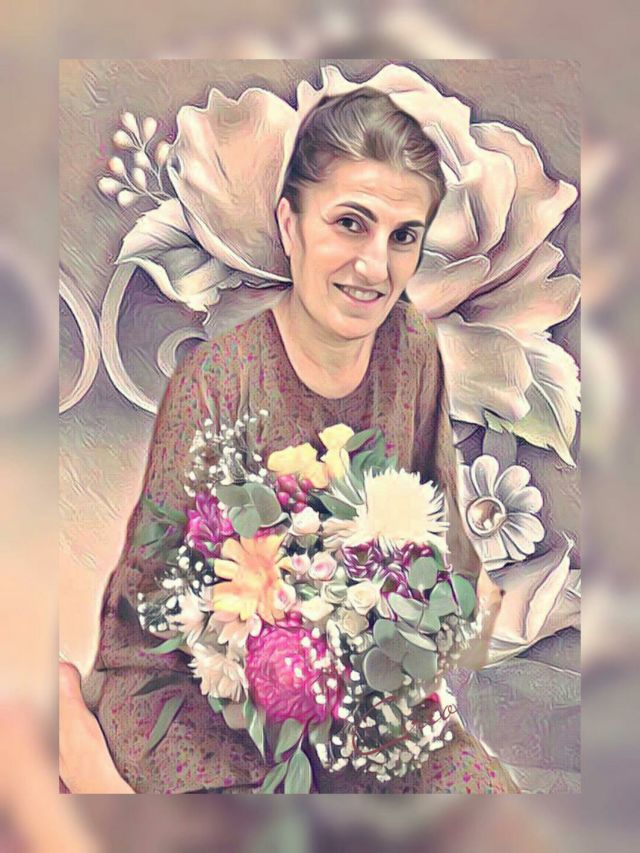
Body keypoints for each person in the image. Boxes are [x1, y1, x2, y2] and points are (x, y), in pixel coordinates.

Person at [60, 88, 517, 794]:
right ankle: (75, 739)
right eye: (350, 224)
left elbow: (438, 530)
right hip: (208, 697)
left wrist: (413, 626)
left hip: (360, 692)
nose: (375, 267)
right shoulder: (219, 382)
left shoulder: (411, 347)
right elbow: (151, 620)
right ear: (290, 224)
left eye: (403, 236)